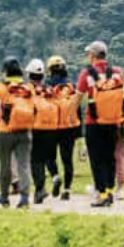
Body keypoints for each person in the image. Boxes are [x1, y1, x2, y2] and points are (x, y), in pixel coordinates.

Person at [76, 40, 124, 208]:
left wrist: (70, 115)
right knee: (110, 158)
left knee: (97, 159)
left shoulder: (86, 74)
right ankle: (110, 192)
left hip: (94, 122)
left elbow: (78, 97)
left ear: (92, 55)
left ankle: (101, 194)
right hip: (113, 122)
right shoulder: (117, 72)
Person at [0, 57, 36, 209]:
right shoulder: (28, 87)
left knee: (5, 165)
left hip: (6, 131)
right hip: (25, 130)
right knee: (24, 165)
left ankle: (4, 197)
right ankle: (24, 198)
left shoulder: (1, 87)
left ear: (5, 72)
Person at [43, 55, 80, 200]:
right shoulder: (71, 86)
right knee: (67, 160)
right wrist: (79, 132)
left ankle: (55, 176)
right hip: (69, 127)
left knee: (49, 157)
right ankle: (67, 190)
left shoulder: (46, 85)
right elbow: (77, 109)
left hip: (50, 127)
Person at [26, 58, 59, 204]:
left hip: (36, 128)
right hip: (52, 128)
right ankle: (55, 176)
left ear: (29, 75)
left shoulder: (28, 90)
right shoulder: (49, 89)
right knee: (49, 157)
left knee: (36, 160)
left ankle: (40, 189)